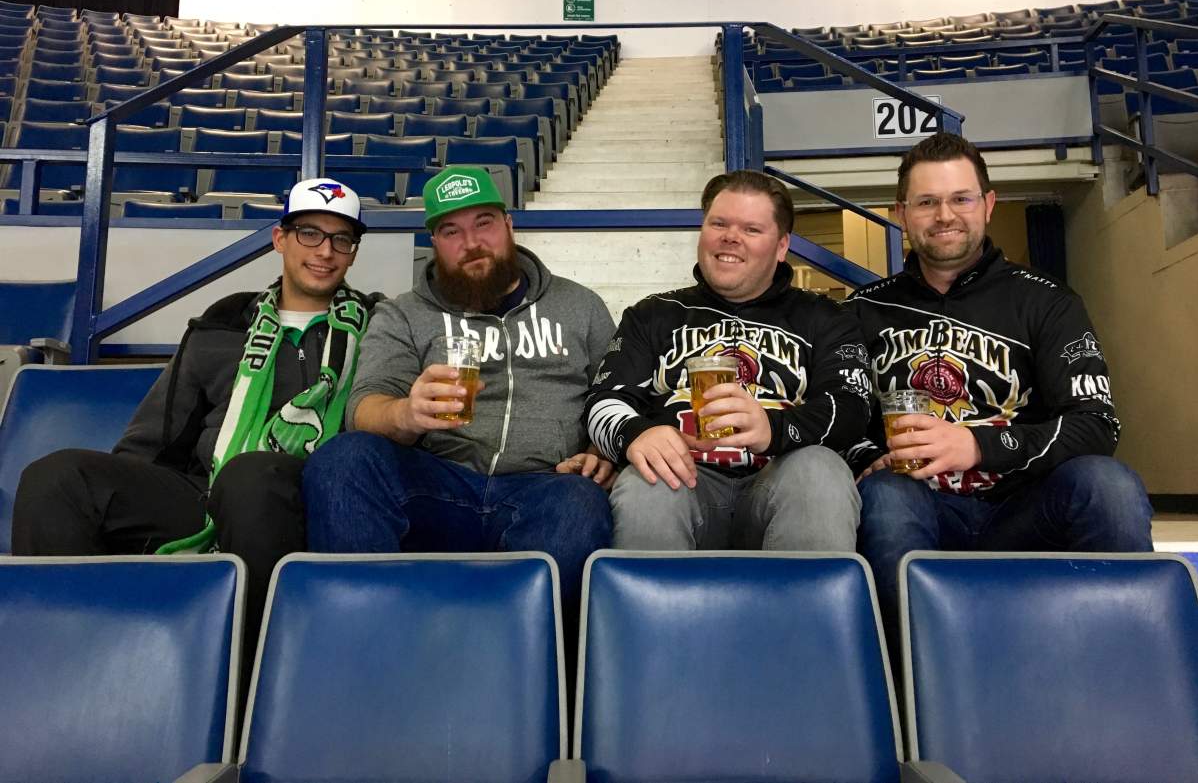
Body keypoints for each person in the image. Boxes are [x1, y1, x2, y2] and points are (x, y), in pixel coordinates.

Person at [12, 177, 378, 647]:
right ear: (279, 239)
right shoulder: (222, 323)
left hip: (306, 501)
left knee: (250, 478)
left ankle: (255, 667)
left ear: (352, 252)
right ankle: (64, 654)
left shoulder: (378, 326)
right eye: (310, 233)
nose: (325, 251)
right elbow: (154, 439)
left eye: (341, 239)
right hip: (204, 495)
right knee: (57, 477)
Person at [846, 132, 1153, 628]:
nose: (945, 215)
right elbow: (838, 419)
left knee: (1108, 485)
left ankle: (1123, 663)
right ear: (901, 213)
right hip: (918, 505)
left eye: (960, 198)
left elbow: (1096, 425)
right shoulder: (861, 310)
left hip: (1024, 506)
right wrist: (866, 456)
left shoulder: (1049, 302)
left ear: (987, 204)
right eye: (927, 202)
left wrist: (978, 446)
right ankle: (907, 681)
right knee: (884, 495)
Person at [301, 166, 615, 625]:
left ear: (509, 226)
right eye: (451, 230)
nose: (471, 242)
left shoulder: (580, 306)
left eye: (483, 223)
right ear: (433, 242)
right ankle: (363, 639)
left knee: (580, 501)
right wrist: (406, 414)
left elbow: (615, 396)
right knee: (344, 459)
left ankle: (527, 664)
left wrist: (598, 450)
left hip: (543, 487)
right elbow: (364, 406)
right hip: (437, 483)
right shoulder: (402, 314)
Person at [584, 169, 870, 551]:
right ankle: (654, 611)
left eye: (752, 229)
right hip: (683, 481)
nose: (730, 237)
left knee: (819, 473)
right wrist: (635, 435)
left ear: (782, 246)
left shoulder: (826, 316)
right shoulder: (653, 314)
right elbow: (604, 401)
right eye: (719, 223)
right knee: (645, 481)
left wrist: (775, 428)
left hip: (781, 479)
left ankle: (804, 611)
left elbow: (853, 407)